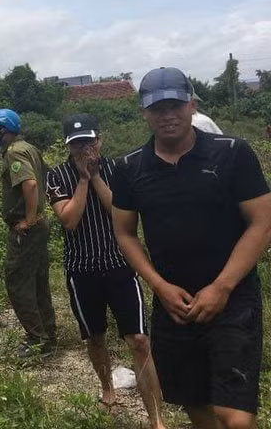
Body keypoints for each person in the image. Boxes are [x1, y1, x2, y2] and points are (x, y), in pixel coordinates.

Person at [111, 67, 271, 429]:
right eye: (158, 108)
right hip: (175, 303)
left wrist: (222, 287)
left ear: (192, 105)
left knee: (236, 418)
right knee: (194, 402)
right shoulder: (130, 168)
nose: (167, 115)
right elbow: (125, 234)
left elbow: (262, 222)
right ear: (144, 112)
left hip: (233, 299)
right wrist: (159, 286)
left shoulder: (232, 154)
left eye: (175, 105)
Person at [46, 113, 165, 428]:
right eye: (77, 144)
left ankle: (156, 419)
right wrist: (83, 180)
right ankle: (107, 387)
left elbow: (118, 212)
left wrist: (96, 176)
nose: (84, 149)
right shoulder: (57, 175)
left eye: (88, 141)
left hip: (120, 264)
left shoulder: (119, 169)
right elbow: (69, 220)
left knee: (139, 340)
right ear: (68, 146)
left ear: (99, 140)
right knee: (95, 337)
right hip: (81, 269)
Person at [0, 108, 56, 357]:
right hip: (38, 226)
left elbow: (31, 184)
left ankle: (37, 340)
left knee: (17, 282)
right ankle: (48, 335)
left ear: (4, 130)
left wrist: (29, 219)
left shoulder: (14, 152)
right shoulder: (29, 148)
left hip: (27, 229)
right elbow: (46, 176)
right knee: (38, 282)